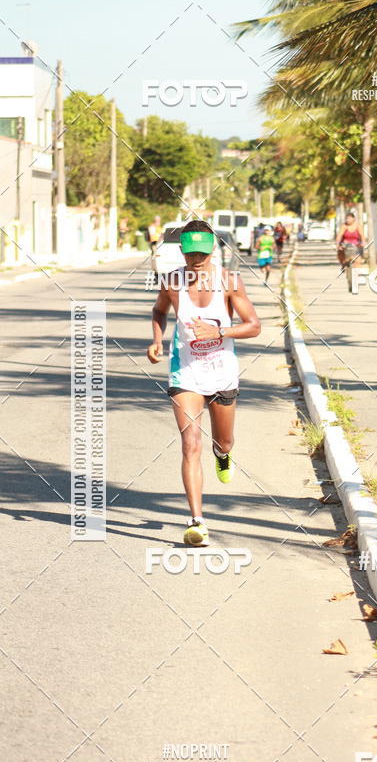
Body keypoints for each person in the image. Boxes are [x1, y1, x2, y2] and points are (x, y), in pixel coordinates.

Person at [147, 219, 261, 546]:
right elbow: (159, 312)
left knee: (223, 442)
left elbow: (254, 326)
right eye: (190, 252)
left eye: (202, 252)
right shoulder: (171, 282)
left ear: (212, 250)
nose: (196, 259)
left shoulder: (230, 282)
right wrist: (157, 340)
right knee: (190, 443)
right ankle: (197, 521)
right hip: (186, 373)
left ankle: (223, 454)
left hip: (222, 372)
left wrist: (220, 331)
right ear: (182, 251)